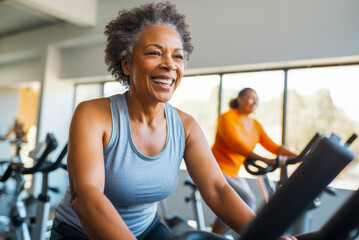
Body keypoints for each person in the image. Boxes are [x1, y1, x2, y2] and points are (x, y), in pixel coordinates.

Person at [51, 2, 296, 240]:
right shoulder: (92, 115)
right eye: (155, 53)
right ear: (126, 64)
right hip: (79, 232)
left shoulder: (185, 126)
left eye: (177, 57)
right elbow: (86, 195)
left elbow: (218, 190)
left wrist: (268, 234)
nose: (169, 64)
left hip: (147, 229)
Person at [211, 87, 297, 235]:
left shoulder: (255, 125)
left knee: (241, 203)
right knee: (247, 199)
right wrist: (264, 160)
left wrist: (299, 156)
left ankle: (215, 236)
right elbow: (236, 144)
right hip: (216, 168)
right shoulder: (227, 117)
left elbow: (274, 147)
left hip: (233, 173)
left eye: (257, 99)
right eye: (251, 97)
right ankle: (235, 236)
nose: (255, 102)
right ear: (240, 99)